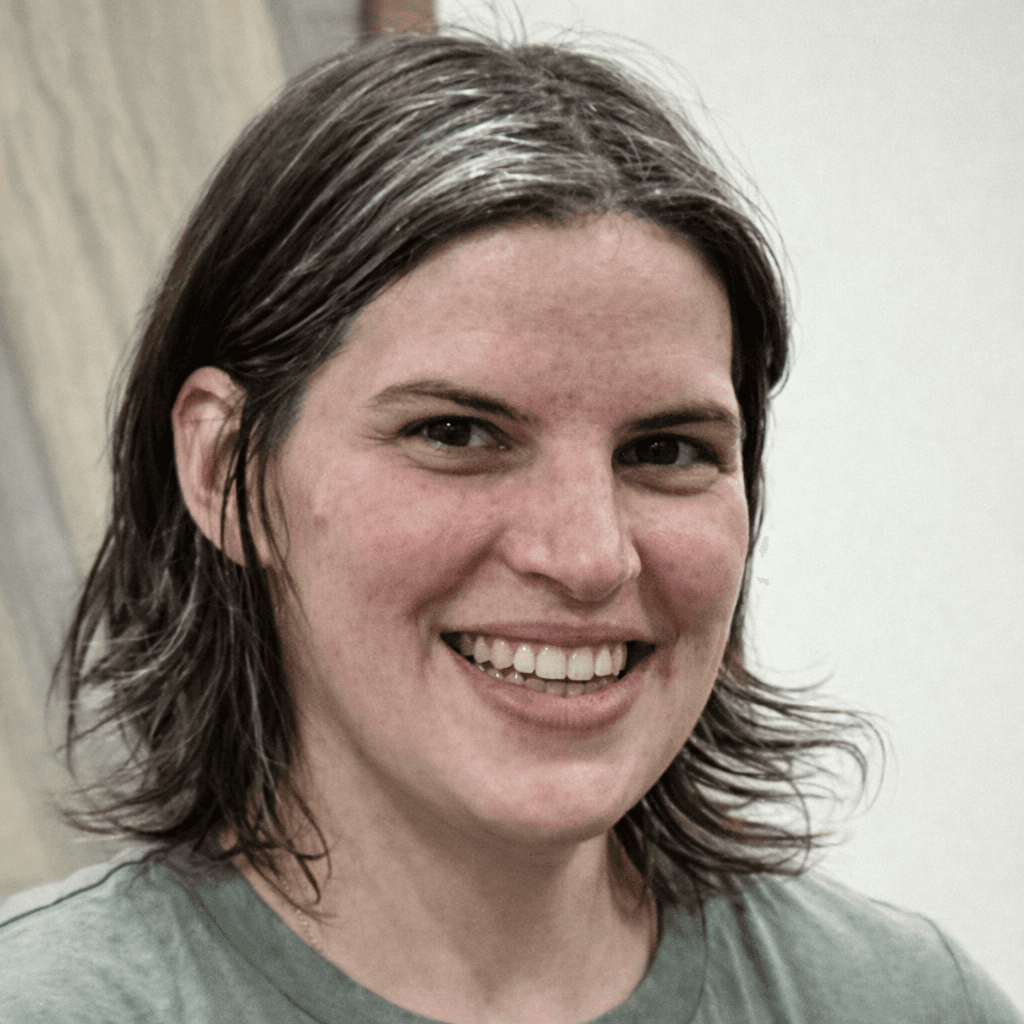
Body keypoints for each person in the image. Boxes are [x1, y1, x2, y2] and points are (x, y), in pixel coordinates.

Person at [1, 31, 1019, 1024]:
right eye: (456, 432)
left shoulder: (906, 1001)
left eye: (663, 450)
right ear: (225, 469)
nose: (587, 557)